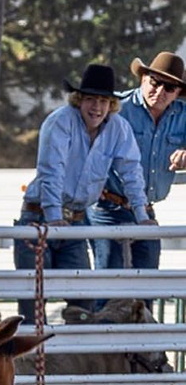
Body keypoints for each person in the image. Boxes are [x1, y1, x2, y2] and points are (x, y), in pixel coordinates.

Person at [13, 63, 154, 324]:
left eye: (103, 100)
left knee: (82, 300)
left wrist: (141, 214)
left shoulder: (118, 128)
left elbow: (132, 172)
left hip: (76, 220)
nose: (97, 107)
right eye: (90, 99)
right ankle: (31, 364)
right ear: (79, 100)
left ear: (111, 104)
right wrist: (54, 216)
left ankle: (74, 360)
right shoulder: (61, 121)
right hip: (39, 216)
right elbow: (51, 169)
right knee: (32, 302)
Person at [87, 52, 186, 276]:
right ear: (143, 79)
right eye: (155, 82)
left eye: (169, 88)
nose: (160, 91)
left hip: (146, 210)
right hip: (107, 208)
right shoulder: (115, 108)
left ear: (177, 92)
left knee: (147, 285)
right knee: (110, 286)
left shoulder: (183, 116)